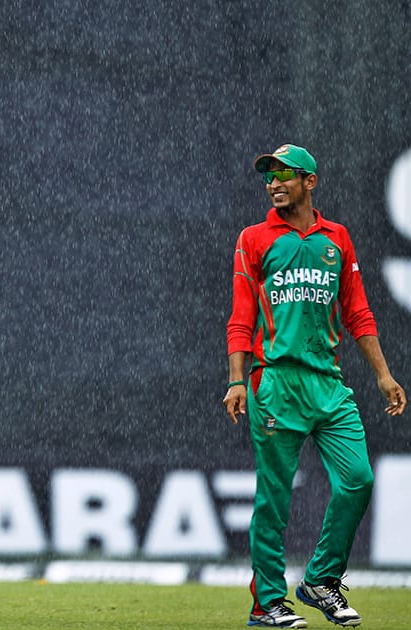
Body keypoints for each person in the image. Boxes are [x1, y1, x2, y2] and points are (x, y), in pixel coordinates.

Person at [222, 143, 406, 628]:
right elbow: (240, 318)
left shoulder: (336, 239)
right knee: (274, 498)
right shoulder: (255, 238)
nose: (274, 183)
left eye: (285, 174)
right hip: (275, 382)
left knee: (359, 479)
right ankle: (267, 603)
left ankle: (321, 579)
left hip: (329, 383)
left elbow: (358, 313)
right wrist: (237, 381)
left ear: (311, 181)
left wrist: (383, 374)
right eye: (269, 176)